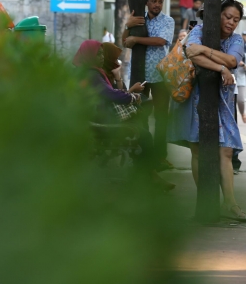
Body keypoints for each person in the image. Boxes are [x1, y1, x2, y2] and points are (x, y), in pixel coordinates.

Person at [168, 0, 246, 222]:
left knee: (225, 151)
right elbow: (189, 52)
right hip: (195, 97)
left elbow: (233, 60)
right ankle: (205, 198)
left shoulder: (236, 40)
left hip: (222, 100)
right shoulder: (202, 29)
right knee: (197, 149)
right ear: (218, 15)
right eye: (227, 16)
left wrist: (206, 51)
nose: (231, 22)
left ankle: (230, 204)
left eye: (236, 19)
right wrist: (221, 66)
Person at [73, 40, 175, 191]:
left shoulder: (89, 72)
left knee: (140, 127)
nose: (102, 57)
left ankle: (148, 174)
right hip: (102, 124)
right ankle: (147, 175)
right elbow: (110, 94)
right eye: (98, 54)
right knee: (144, 134)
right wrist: (132, 97)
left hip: (98, 119)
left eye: (103, 54)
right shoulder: (92, 74)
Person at [122, 0, 175, 170]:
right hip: (140, 75)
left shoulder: (168, 21)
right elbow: (125, 41)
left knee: (161, 118)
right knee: (140, 114)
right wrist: (128, 26)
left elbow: (161, 41)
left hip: (160, 76)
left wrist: (136, 38)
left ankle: (160, 157)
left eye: (160, 2)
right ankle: (144, 154)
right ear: (147, 2)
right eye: (153, 1)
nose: (157, 5)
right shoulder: (138, 19)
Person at [236, 52, 246, 124]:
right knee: (231, 100)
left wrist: (243, 65)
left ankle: (242, 113)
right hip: (232, 78)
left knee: (240, 100)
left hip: (241, 80)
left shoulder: (245, 55)